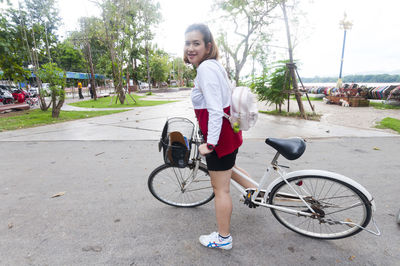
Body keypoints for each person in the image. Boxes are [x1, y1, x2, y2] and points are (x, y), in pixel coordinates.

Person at [184, 23, 254, 250]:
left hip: (220, 137)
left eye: (196, 43)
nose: (190, 48)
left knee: (220, 189)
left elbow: (214, 110)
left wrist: (210, 144)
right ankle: (256, 192)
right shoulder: (213, 65)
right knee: (228, 170)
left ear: (208, 46)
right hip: (229, 132)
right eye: (188, 43)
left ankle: (223, 238)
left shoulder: (205, 69)